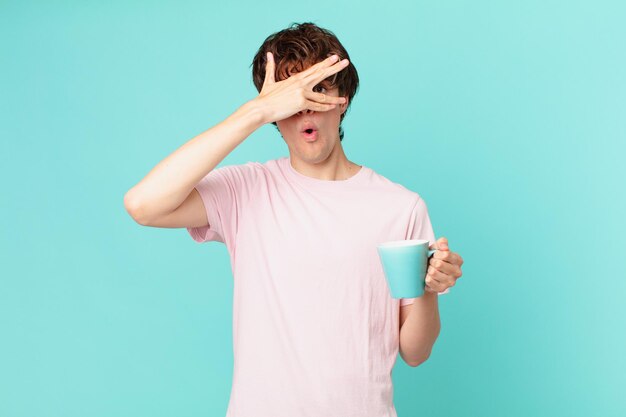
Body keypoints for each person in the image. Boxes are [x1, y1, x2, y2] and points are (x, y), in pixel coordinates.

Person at [124, 22, 464, 417]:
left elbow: (415, 352)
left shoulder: (399, 206)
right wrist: (256, 111)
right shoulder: (246, 190)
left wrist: (427, 288)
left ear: (343, 99)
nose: (305, 107)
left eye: (318, 89)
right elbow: (143, 204)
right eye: (290, 95)